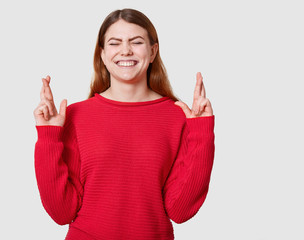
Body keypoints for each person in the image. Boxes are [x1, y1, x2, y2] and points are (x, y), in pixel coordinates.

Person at [33, 8, 215, 240]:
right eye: (115, 43)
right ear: (102, 54)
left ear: (152, 52)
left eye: (136, 42)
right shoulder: (74, 116)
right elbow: (61, 213)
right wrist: (48, 136)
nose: (125, 50)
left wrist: (202, 132)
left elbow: (180, 211)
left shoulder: (179, 116)